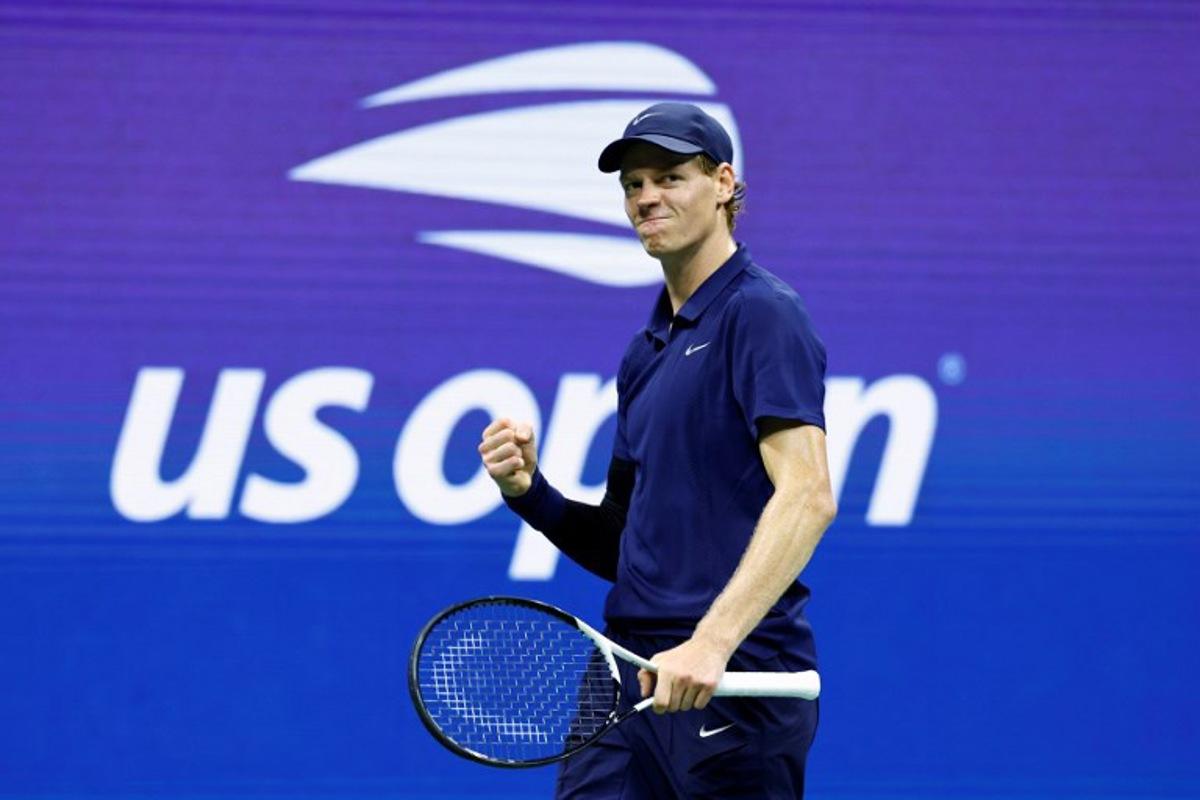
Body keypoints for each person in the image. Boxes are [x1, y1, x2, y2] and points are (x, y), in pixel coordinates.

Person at [478, 102, 836, 799]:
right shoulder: (645, 353)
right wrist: (532, 494)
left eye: (670, 177)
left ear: (724, 183)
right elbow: (623, 546)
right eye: (634, 184)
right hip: (625, 676)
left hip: (735, 679)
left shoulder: (761, 313)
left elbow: (808, 493)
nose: (647, 197)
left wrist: (712, 641)